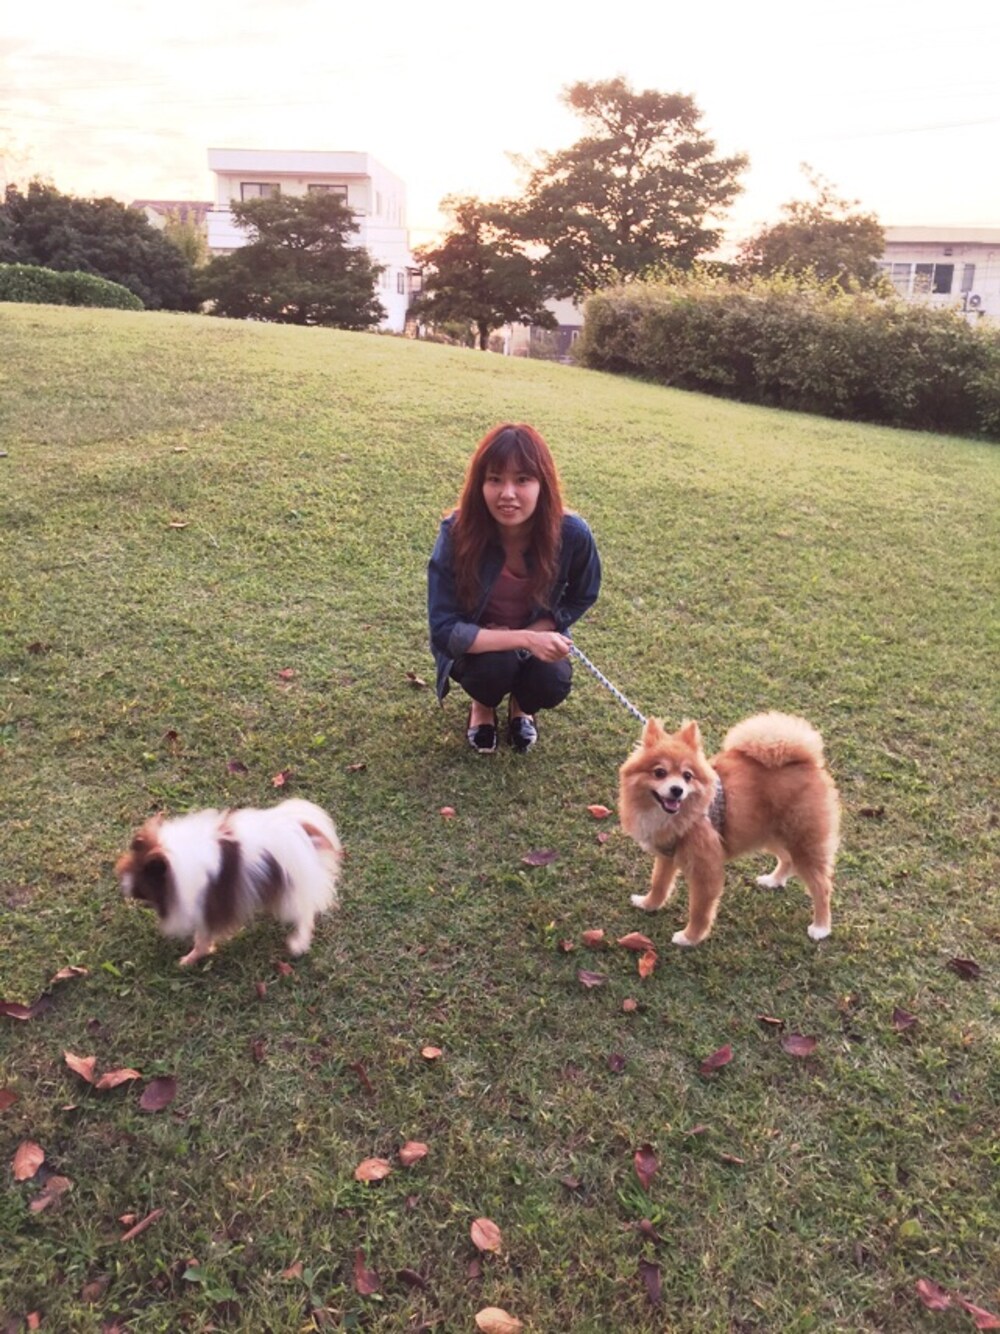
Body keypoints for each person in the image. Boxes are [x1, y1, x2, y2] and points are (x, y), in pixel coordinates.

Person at [427, 422, 602, 753]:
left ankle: (522, 707)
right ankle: (483, 705)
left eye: (522, 480)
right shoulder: (456, 533)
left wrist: (541, 629)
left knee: (552, 680)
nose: (507, 493)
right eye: (495, 479)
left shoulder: (573, 534)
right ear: (479, 484)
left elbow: (584, 593)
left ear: (542, 484)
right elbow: (443, 628)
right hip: (481, 644)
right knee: (494, 668)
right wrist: (524, 639)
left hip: (539, 631)